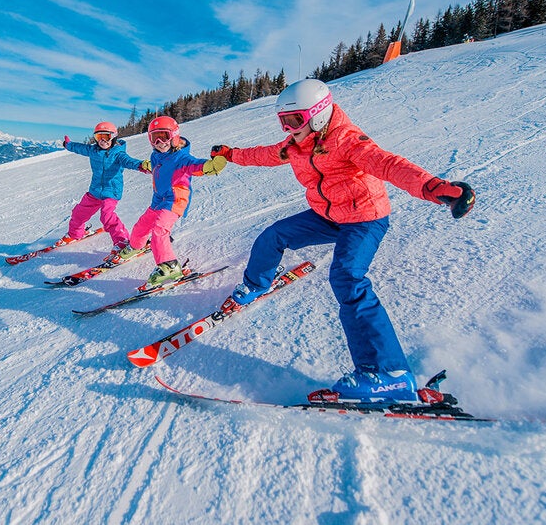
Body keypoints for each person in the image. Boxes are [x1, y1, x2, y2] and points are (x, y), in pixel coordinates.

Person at [210, 78, 475, 403]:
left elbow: (388, 164)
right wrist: (231, 154)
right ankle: (255, 284)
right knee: (273, 236)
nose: (288, 129)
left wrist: (432, 187)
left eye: (294, 121)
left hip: (364, 218)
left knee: (348, 278)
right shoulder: (297, 143)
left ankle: (389, 374)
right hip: (329, 215)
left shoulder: (347, 140)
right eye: (283, 122)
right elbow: (265, 154)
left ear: (318, 115)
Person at [115, 116, 227, 289]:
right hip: (158, 200)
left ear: (174, 136)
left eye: (164, 136)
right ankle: (135, 246)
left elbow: (197, 166)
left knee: (159, 230)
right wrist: (144, 165)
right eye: (154, 138)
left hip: (175, 200)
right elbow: (153, 166)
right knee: (141, 226)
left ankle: (169, 266)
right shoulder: (156, 156)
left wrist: (214, 164)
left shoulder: (182, 159)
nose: (160, 142)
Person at [62, 122, 150, 258]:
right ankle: (75, 233)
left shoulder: (118, 154)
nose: (103, 141)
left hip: (111, 191)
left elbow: (129, 161)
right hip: (95, 191)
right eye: (99, 137)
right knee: (79, 213)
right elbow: (80, 148)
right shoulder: (94, 150)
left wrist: (141, 165)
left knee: (107, 216)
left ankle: (122, 241)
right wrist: (68, 145)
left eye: (106, 137)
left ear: (113, 137)